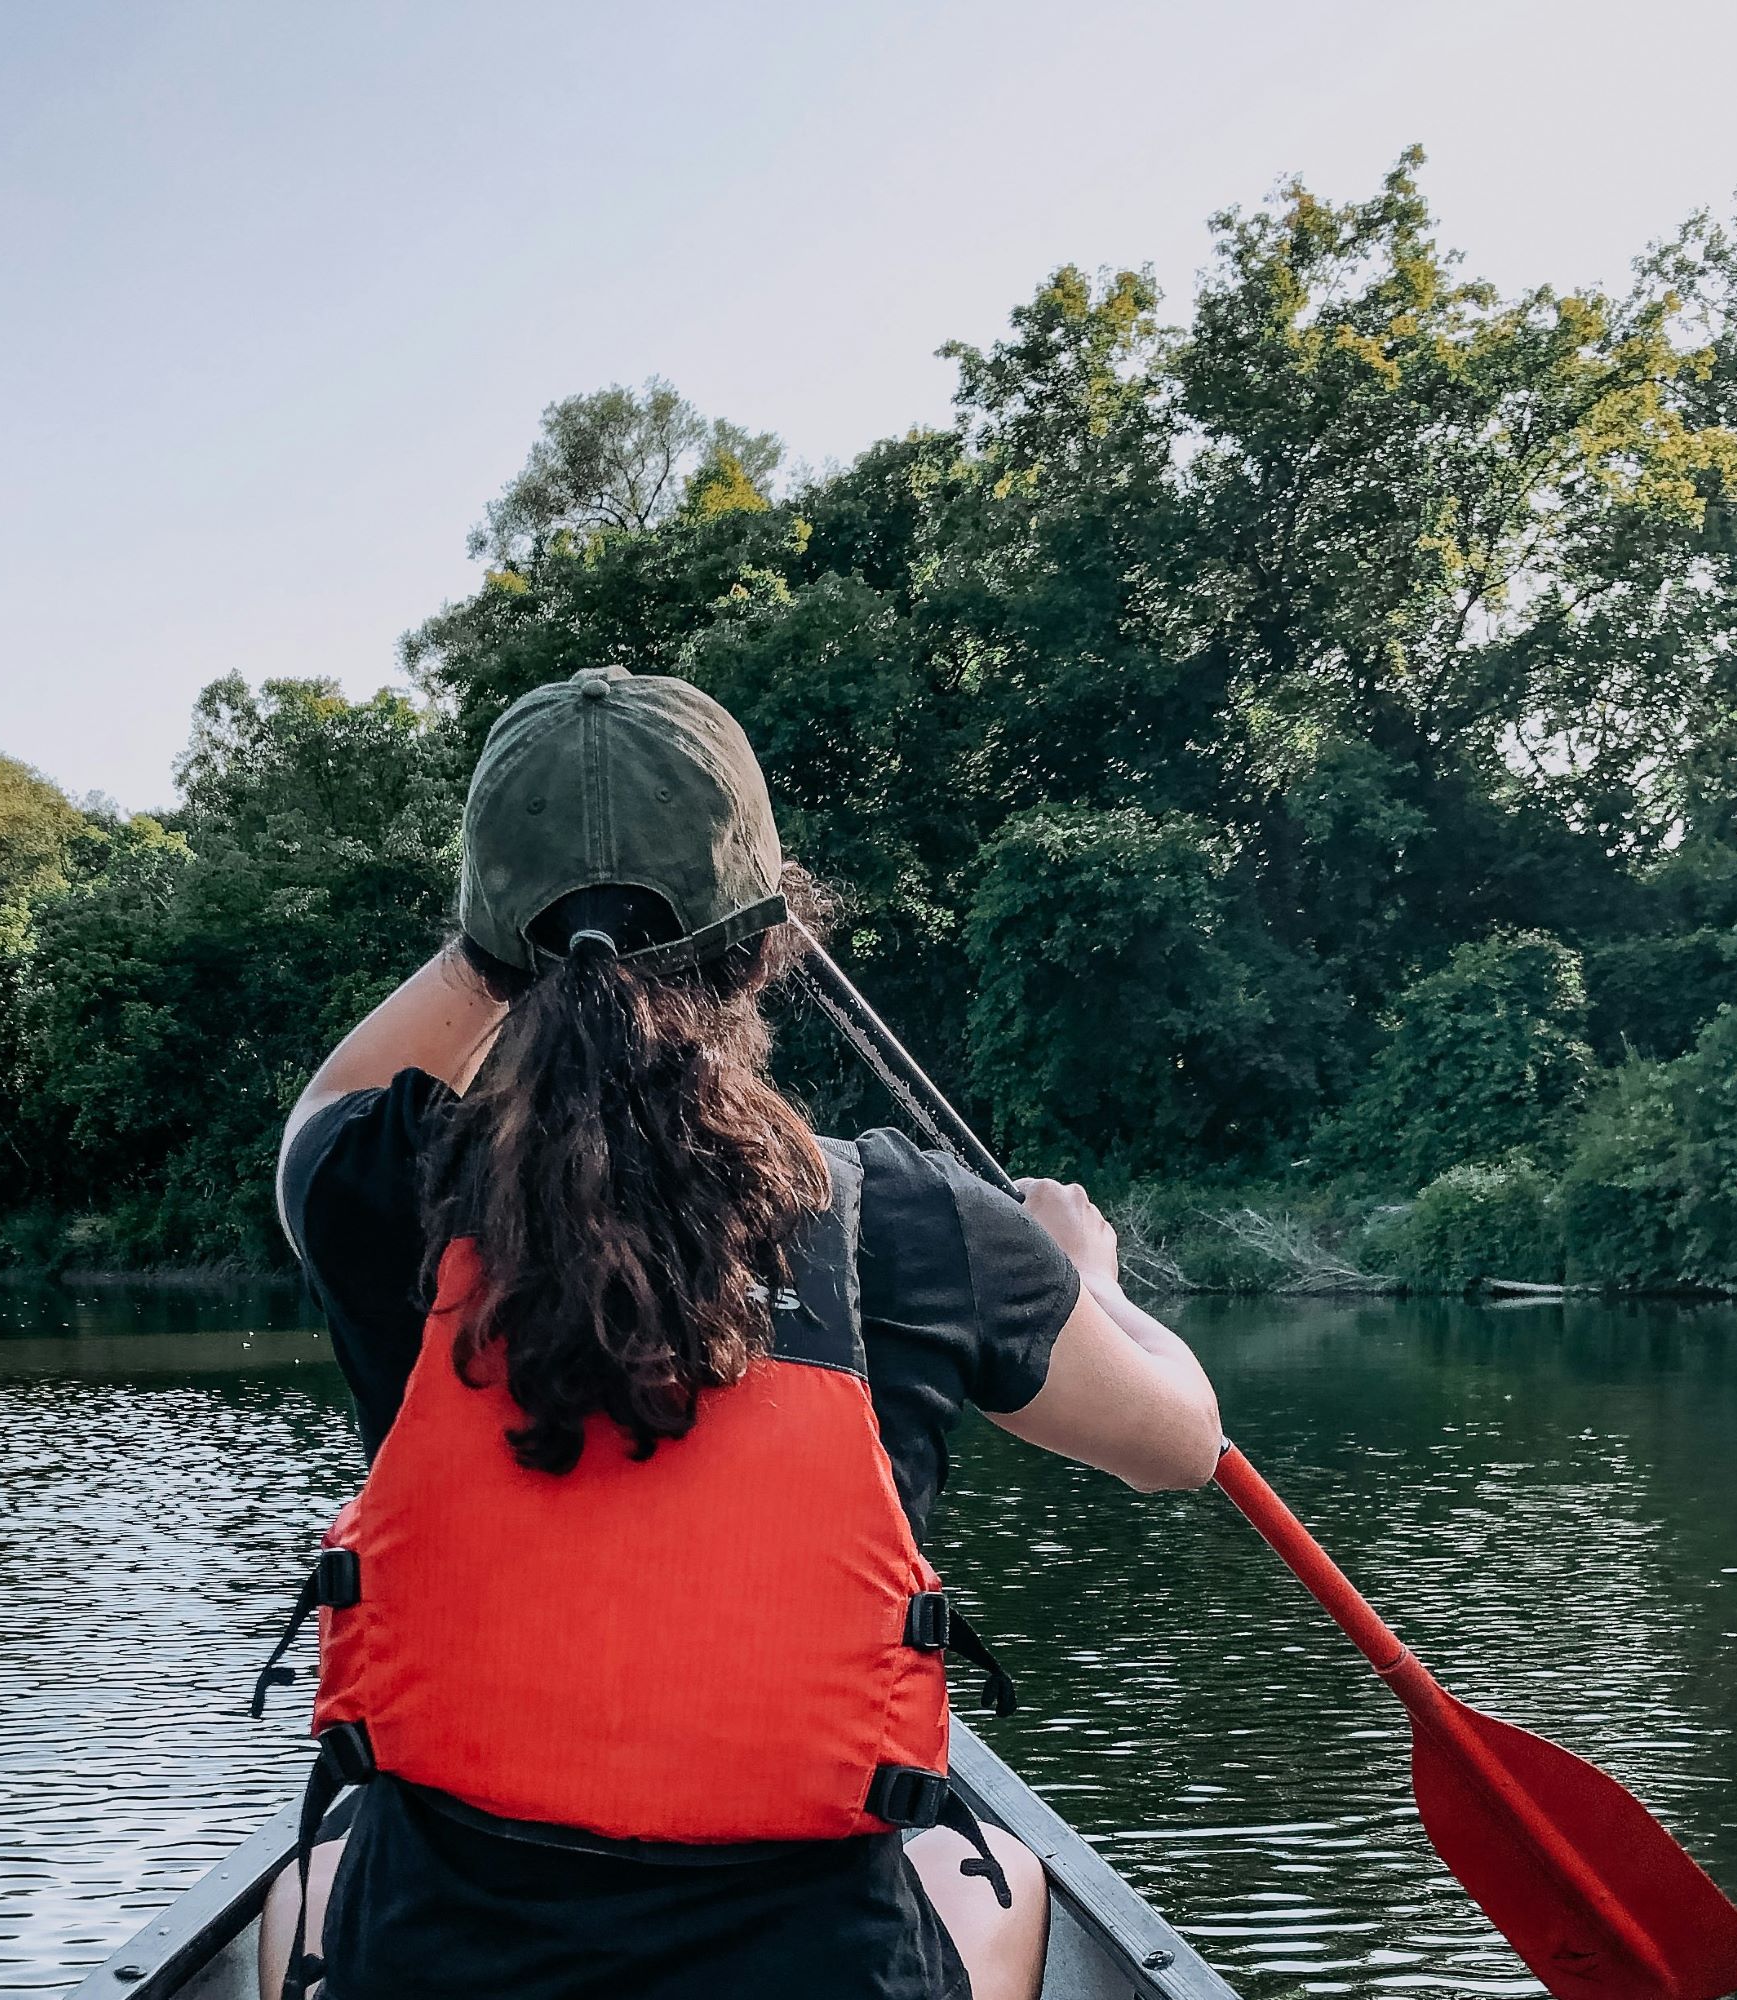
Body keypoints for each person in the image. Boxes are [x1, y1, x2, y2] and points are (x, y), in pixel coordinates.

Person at [261, 666, 1222, 2000]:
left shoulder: (375, 1195)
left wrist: (502, 937)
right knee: (1003, 1882)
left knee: (308, 1879)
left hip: (445, 1968)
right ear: (765, 942)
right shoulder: (916, 1226)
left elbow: (330, 1100)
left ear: (484, 959)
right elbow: (1181, 1444)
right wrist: (1091, 1273)